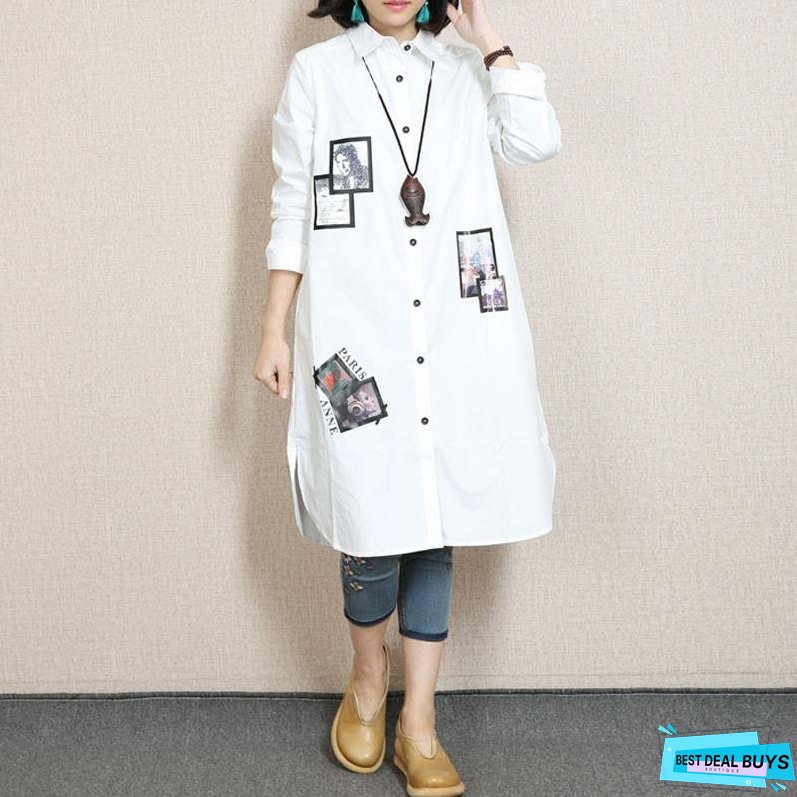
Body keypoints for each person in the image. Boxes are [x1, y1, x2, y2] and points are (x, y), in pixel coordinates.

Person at [253, 0, 562, 793]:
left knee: (435, 516)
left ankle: (417, 720)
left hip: (457, 337)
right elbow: (293, 203)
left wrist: (486, 38)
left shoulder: (465, 71)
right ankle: (368, 676)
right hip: (352, 333)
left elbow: (535, 140)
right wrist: (274, 329)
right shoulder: (317, 73)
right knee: (368, 509)